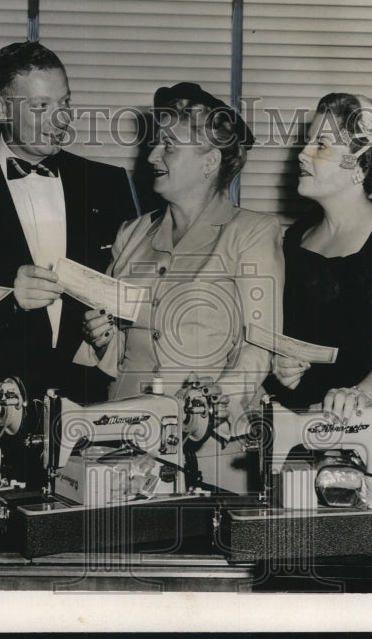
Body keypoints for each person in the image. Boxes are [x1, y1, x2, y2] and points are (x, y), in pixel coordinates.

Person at [75, 82, 284, 492]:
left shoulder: (253, 233)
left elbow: (261, 348)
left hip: (210, 444)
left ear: (209, 161)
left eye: (169, 146)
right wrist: (102, 339)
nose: (152, 156)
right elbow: (122, 347)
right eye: (155, 144)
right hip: (123, 434)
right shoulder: (131, 234)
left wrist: (210, 403)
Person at [0, 41, 139, 404]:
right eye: (41, 106)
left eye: (65, 103)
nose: (61, 119)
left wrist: (111, 331)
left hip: (89, 400)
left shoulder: (108, 185)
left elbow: (131, 294)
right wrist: (9, 296)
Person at [263, 93, 372, 412]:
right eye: (307, 142)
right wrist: (280, 364)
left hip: (362, 421)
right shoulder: (296, 237)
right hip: (296, 417)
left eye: (321, 145)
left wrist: (362, 393)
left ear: (361, 163)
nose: (302, 154)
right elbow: (284, 334)